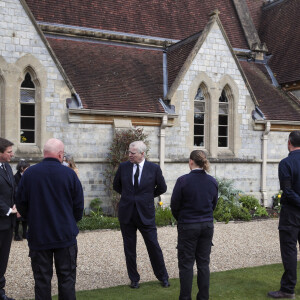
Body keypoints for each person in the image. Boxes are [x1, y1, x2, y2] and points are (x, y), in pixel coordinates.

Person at [16, 138, 84, 300]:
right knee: (67, 278)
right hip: (65, 235)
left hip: (39, 235)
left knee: (41, 280)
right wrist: (69, 221)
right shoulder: (69, 174)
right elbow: (78, 206)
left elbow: (21, 203)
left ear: (44, 153)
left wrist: (32, 219)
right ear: (60, 154)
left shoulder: (29, 174)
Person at [113, 141, 170, 289]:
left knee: (153, 246)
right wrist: (129, 197)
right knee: (129, 248)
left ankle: (163, 277)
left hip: (145, 213)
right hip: (127, 214)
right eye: (129, 153)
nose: (129, 155)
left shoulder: (154, 168)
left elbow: (162, 187)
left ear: (142, 154)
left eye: (133, 153)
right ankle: (134, 279)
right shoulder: (123, 167)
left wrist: (146, 197)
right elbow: (116, 185)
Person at [171, 150, 218, 300]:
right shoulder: (212, 181)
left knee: (186, 264)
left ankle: (185, 298)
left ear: (191, 161)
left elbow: (174, 205)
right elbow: (213, 204)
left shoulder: (183, 181)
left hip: (188, 226)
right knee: (203, 264)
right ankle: (203, 297)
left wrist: (182, 219)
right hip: (206, 226)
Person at [268, 131, 300, 299]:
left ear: (289, 143)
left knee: (289, 251)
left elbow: (287, 192)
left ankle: (288, 289)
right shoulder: (286, 163)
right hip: (293, 211)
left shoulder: (286, 163)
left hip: (291, 214)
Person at [0, 138, 17, 300]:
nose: (12, 154)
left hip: (8, 223)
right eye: (9, 152)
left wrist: (17, 206)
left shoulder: (7, 167)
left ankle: (0, 291)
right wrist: (8, 210)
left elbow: (13, 190)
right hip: (1, 219)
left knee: (3, 259)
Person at [14, 160, 30, 241]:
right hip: (17, 199)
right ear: (21, 168)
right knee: (17, 219)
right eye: (27, 168)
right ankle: (16, 234)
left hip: (25, 199)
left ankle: (24, 233)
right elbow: (16, 189)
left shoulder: (27, 175)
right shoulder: (16, 177)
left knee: (25, 218)